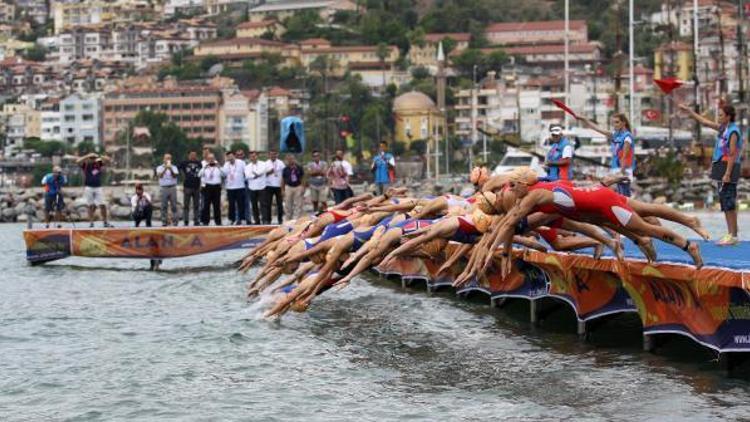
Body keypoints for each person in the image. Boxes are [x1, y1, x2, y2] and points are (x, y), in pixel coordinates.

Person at [679, 103, 743, 245]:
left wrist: (727, 174)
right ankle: (731, 234)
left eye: (721, 115)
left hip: (728, 168)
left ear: (728, 116)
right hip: (721, 167)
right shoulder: (723, 129)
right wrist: (690, 111)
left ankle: (733, 235)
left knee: (729, 202)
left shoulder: (733, 132)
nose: (718, 117)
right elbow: (704, 122)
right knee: (725, 203)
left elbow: (732, 154)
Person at [579, 113, 635, 196]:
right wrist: (585, 119)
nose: (614, 125)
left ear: (624, 123)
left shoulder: (627, 137)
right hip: (616, 168)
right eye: (613, 123)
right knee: (621, 196)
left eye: (617, 122)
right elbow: (597, 129)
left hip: (624, 170)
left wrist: (621, 172)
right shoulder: (615, 135)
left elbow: (625, 156)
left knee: (625, 196)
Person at [76, 153, 112, 228]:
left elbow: (108, 160)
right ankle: (91, 222)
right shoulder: (85, 165)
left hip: (98, 187)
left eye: (93, 158)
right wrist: (87, 156)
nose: (92, 159)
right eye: (91, 158)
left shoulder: (98, 163)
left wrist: (99, 156)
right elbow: (77, 161)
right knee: (90, 205)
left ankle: (105, 222)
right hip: (88, 187)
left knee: (103, 204)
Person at [222, 151, 247, 225]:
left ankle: (242, 219)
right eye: (228, 156)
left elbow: (246, 172)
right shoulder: (226, 164)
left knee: (241, 204)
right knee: (231, 205)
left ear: (234, 156)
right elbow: (224, 174)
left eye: (231, 156)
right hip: (230, 188)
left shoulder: (241, 162)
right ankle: (231, 219)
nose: (230, 158)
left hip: (240, 186)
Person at [199, 153, 223, 225]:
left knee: (217, 205)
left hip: (216, 187)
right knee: (206, 205)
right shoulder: (205, 167)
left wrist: (219, 167)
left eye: (212, 158)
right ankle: (206, 221)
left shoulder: (218, 167)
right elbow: (199, 175)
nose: (211, 160)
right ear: (207, 159)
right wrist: (204, 167)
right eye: (209, 158)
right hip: (208, 187)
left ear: (214, 159)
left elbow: (224, 174)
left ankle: (218, 222)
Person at [179, 150, 202, 226]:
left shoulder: (199, 163)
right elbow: (177, 169)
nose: (193, 156)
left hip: (197, 187)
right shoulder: (184, 162)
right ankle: (186, 221)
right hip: (187, 187)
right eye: (192, 155)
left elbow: (202, 173)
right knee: (186, 205)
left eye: (194, 155)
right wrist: (182, 177)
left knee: (196, 205)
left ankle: (196, 220)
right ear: (188, 155)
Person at [156, 153, 179, 226]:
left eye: (169, 158)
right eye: (166, 158)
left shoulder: (174, 167)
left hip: (172, 187)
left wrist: (170, 168)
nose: (168, 160)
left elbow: (175, 175)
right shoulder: (159, 167)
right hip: (164, 187)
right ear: (164, 159)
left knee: (174, 205)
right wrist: (165, 168)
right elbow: (160, 176)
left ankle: (175, 222)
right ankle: (164, 221)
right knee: (164, 206)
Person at [245, 151, 268, 225]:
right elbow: (247, 176)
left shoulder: (263, 163)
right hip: (252, 188)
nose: (253, 158)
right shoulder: (247, 166)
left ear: (257, 156)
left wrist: (256, 174)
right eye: (251, 156)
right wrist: (256, 175)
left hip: (262, 187)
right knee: (254, 205)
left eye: (254, 156)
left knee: (263, 205)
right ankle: (257, 221)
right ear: (250, 158)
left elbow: (263, 171)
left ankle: (265, 220)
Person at [264, 149, 285, 224]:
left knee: (280, 204)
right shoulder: (265, 163)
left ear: (277, 155)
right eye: (271, 154)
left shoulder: (281, 163)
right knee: (268, 204)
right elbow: (263, 175)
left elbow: (284, 175)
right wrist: (269, 172)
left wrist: (283, 188)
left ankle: (280, 219)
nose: (273, 156)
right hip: (268, 186)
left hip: (278, 186)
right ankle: (268, 220)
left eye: (274, 154)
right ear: (269, 155)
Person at [282, 154, 305, 220]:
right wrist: (282, 190)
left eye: (292, 159)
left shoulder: (299, 167)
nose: (290, 160)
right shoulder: (285, 169)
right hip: (289, 187)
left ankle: (297, 219)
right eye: (288, 159)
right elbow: (283, 180)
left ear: (294, 159)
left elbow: (303, 177)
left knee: (298, 204)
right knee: (288, 204)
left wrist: (303, 187)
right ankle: (288, 219)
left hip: (297, 186)